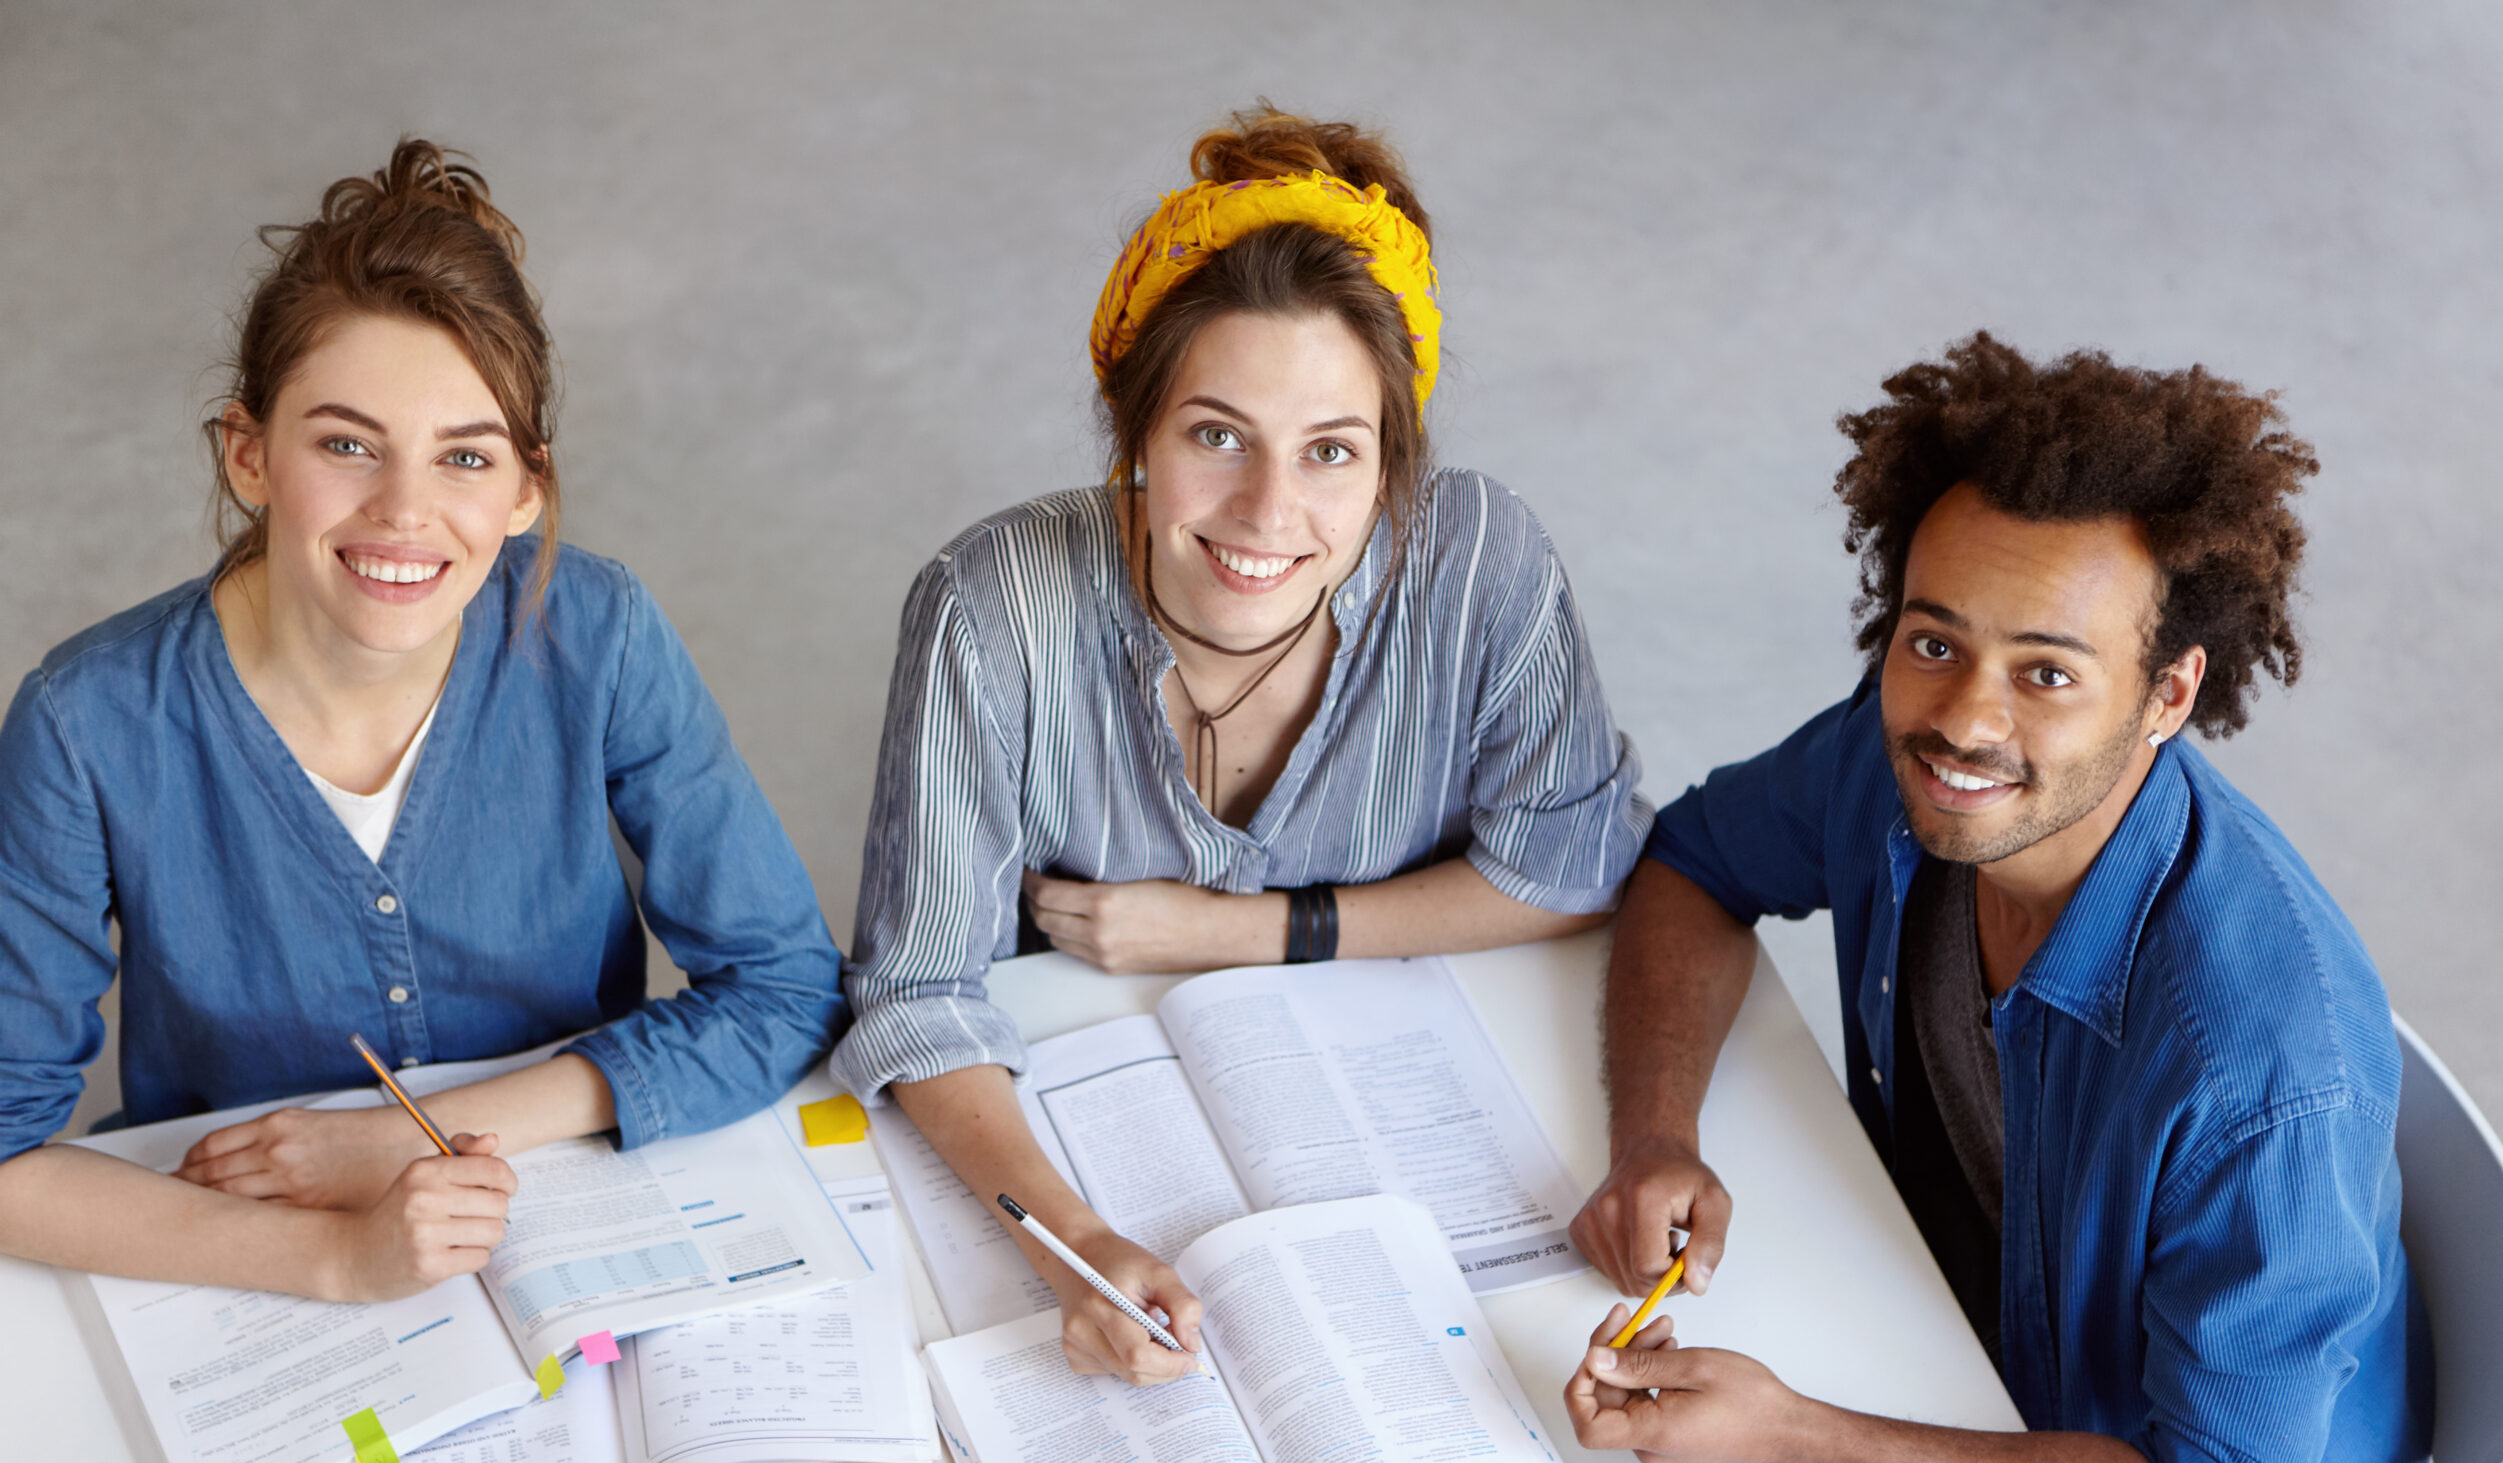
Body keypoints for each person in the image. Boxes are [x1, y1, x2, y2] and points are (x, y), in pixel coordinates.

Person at [1564, 334, 2427, 1463]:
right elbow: (1697, 859)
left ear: (2169, 692)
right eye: (1933, 639)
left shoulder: (2271, 1071)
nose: (1964, 717)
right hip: (1930, 1349)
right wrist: (1654, 1131)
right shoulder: (1903, 752)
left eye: (2046, 671)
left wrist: (1798, 1434)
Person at [837, 106, 1648, 1387]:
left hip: (1403, 1111)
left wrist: (1233, 928)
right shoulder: (987, 607)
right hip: (1089, 1104)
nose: (1271, 515)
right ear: (1135, 442)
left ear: (1390, 467)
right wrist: (1077, 1247)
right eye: (1217, 436)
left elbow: (1572, 868)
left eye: (1332, 452)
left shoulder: (1481, 559)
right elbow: (918, 996)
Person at [0, 141, 847, 1304]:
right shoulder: (84, 722)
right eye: (347, 444)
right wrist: (338, 1257)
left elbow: (784, 988)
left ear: (524, 490)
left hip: (562, 1207)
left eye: (464, 457)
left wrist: (418, 1135)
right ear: (249, 454)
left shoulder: (595, 633)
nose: (404, 512)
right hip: (240, 1259)